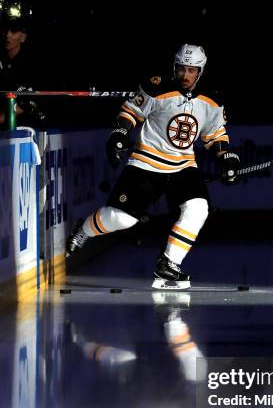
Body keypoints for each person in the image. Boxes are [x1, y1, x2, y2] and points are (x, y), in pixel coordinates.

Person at [66, 44, 241, 289]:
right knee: (122, 219)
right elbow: (131, 111)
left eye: (192, 70)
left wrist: (225, 156)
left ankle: (168, 264)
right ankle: (83, 230)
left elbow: (214, 134)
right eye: (181, 69)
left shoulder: (212, 99)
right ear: (174, 67)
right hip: (146, 162)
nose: (186, 75)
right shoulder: (156, 88)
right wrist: (120, 132)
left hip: (183, 165)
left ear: (200, 71)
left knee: (199, 208)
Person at [0, 15, 45, 127]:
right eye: (6, 30)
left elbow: (27, 103)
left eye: (14, 31)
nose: (8, 35)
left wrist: (2, 118)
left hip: (25, 127)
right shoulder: (2, 60)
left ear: (23, 37)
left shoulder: (31, 65)